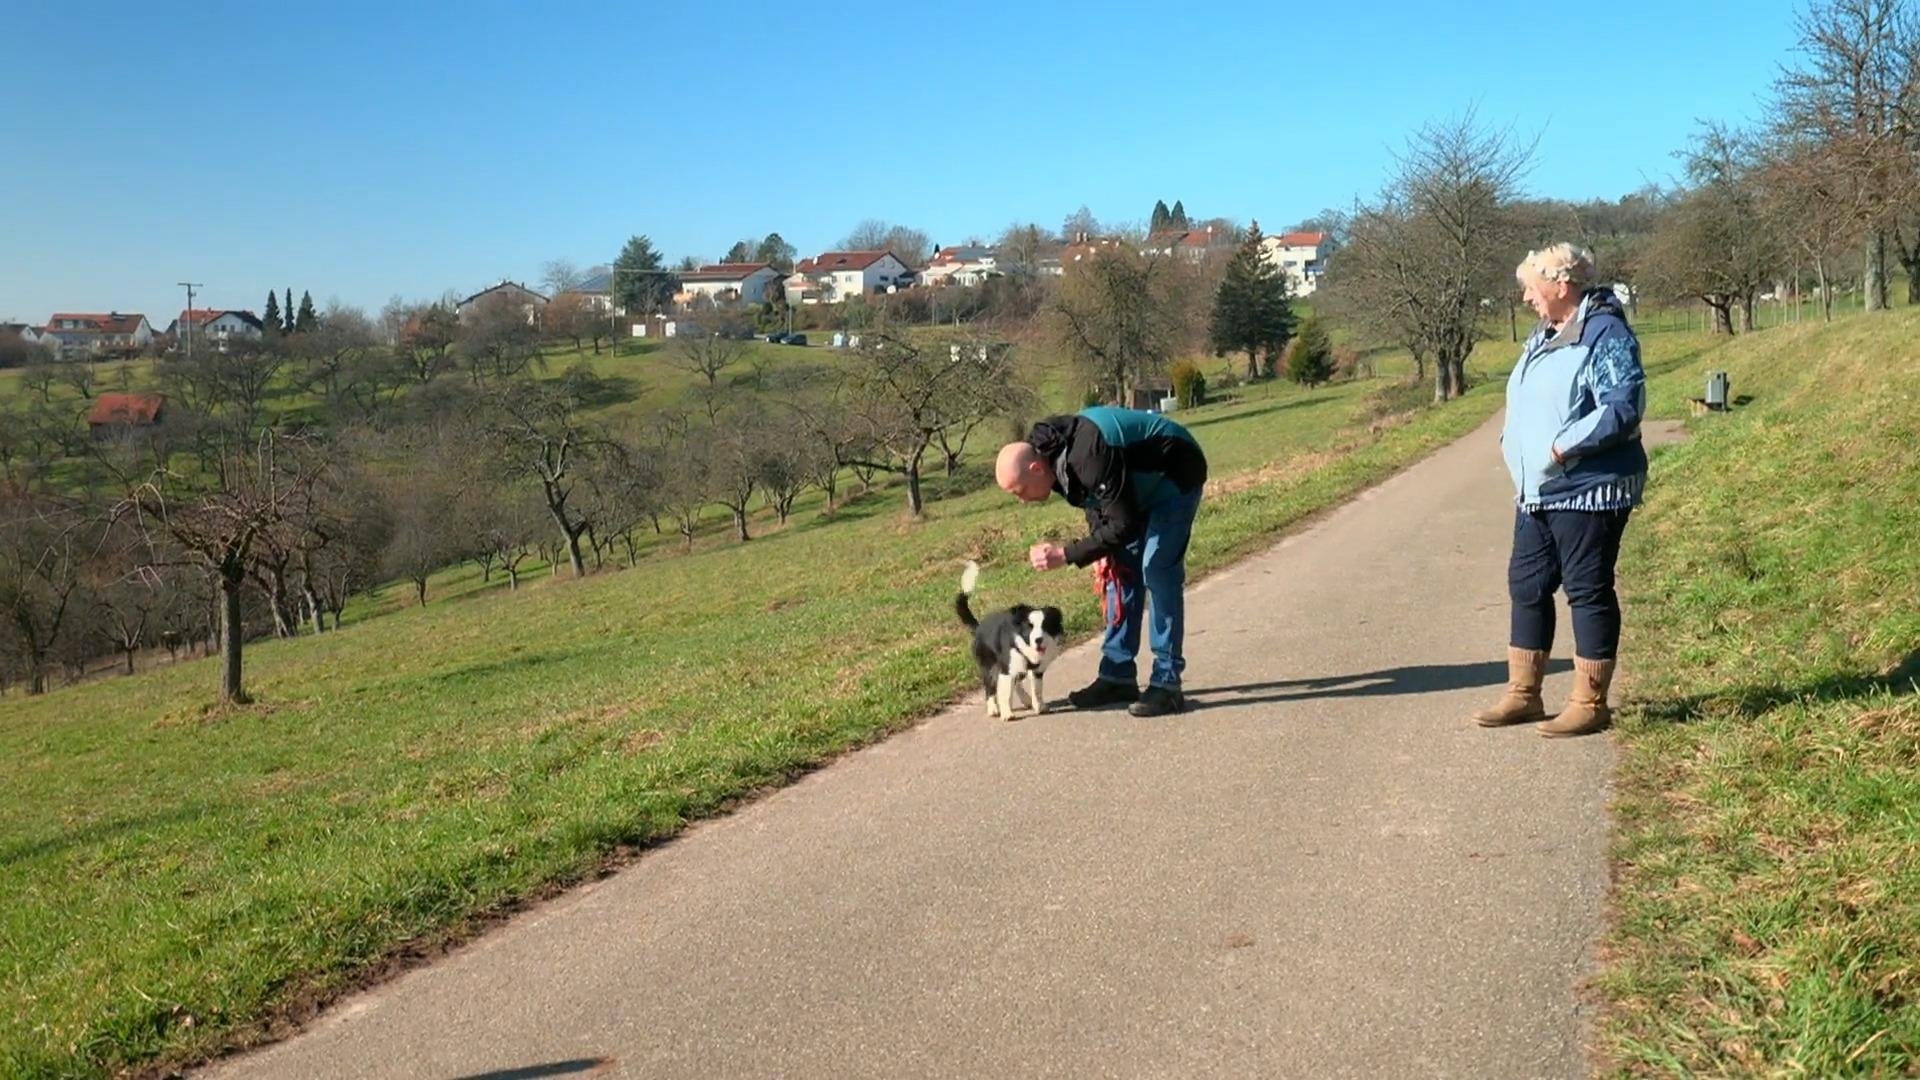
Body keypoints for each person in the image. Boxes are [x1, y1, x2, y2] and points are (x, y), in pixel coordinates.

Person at [1475, 243, 1647, 737]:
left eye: (1532, 286)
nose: (1527, 296)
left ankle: (1589, 702)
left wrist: (1559, 449)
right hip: (1538, 490)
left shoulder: (1603, 333)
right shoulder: (1544, 335)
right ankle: (1523, 695)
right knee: (1526, 586)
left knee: (1586, 589)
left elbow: (1623, 405)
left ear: (1562, 284)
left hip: (1586, 486)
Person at [996, 405, 1207, 717]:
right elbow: (1096, 501)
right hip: (1134, 493)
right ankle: (1118, 676)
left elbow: (1122, 524)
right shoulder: (1053, 453)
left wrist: (1068, 554)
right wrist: (1098, 547)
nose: (1022, 500)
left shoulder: (1087, 453)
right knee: (1118, 571)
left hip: (1174, 478)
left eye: (1021, 491)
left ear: (1035, 470)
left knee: (1157, 570)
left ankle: (1167, 684)